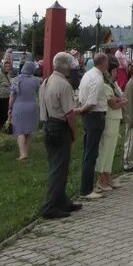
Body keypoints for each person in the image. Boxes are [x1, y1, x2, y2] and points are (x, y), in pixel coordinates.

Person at [38, 52, 81, 219]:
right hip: (59, 126)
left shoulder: (47, 81)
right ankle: (50, 206)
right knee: (59, 169)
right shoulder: (64, 85)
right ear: (66, 66)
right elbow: (70, 114)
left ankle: (62, 201)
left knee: (56, 165)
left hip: (48, 124)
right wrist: (74, 131)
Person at [76, 52, 109, 200]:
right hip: (94, 116)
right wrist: (80, 110)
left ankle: (88, 185)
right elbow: (92, 102)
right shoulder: (97, 78)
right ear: (104, 63)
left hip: (89, 116)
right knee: (91, 153)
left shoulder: (87, 74)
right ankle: (86, 189)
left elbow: (82, 96)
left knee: (89, 151)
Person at [95, 56, 128, 191]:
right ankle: (101, 178)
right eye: (114, 71)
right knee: (105, 149)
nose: (116, 74)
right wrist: (121, 101)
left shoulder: (114, 85)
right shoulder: (105, 85)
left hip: (115, 118)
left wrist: (120, 100)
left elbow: (121, 98)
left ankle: (108, 176)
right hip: (109, 118)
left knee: (111, 149)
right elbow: (114, 104)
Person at [9, 59, 42, 161]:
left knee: (20, 131)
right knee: (29, 131)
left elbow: (12, 96)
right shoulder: (36, 80)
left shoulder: (17, 79)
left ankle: (22, 154)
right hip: (32, 107)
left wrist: (10, 108)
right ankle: (26, 151)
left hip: (19, 107)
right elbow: (39, 93)